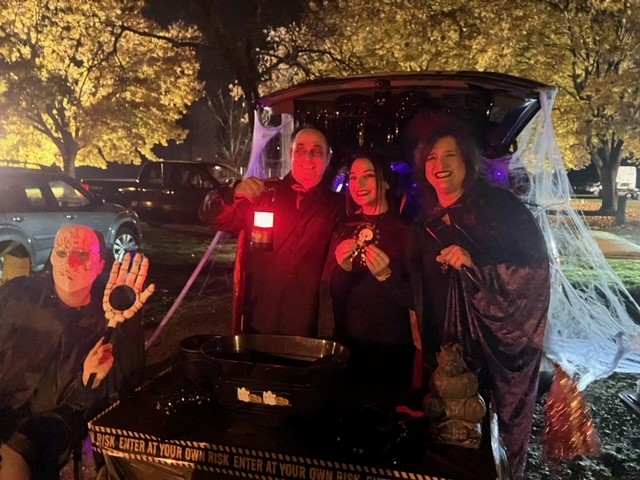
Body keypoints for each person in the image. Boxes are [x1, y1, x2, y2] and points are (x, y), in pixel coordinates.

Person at [407, 114, 550, 479]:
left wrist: (477, 266)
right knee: (444, 437)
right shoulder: (426, 216)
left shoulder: (502, 209)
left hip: (489, 351)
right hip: (443, 344)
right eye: (431, 158)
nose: (440, 165)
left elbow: (534, 276)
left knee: (482, 445)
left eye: (449, 155)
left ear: (468, 161)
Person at [0, 225, 154, 479]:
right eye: (61, 252)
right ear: (51, 257)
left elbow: (124, 386)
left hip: (53, 421)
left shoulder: (109, 313)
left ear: (100, 265)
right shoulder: (18, 296)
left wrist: (126, 324)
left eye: (82, 255)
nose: (69, 263)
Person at [199, 126, 343, 337]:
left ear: (328, 158)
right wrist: (234, 192)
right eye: (301, 150)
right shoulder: (263, 194)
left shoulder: (338, 207)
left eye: (316, 151)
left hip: (309, 324)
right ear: (290, 154)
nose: (308, 157)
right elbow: (211, 216)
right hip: (259, 317)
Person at [321, 152, 415, 387]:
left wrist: (386, 276)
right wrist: (344, 269)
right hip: (349, 344)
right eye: (353, 177)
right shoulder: (344, 227)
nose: (358, 184)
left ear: (386, 182)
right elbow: (335, 294)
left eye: (368, 176)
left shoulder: (406, 231)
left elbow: (417, 299)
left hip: (392, 348)